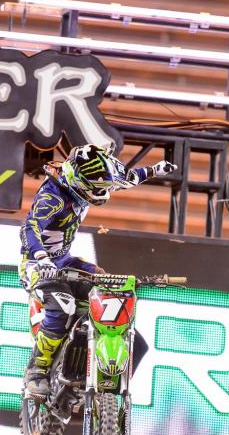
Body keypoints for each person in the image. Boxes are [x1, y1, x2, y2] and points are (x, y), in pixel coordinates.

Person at [19, 144, 178, 398]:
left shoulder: (91, 177)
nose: (103, 192)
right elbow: (29, 228)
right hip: (37, 264)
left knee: (109, 291)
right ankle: (36, 371)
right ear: (78, 181)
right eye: (98, 188)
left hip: (65, 260)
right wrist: (41, 258)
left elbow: (126, 178)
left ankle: (99, 375)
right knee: (62, 306)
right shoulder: (53, 196)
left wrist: (155, 169)